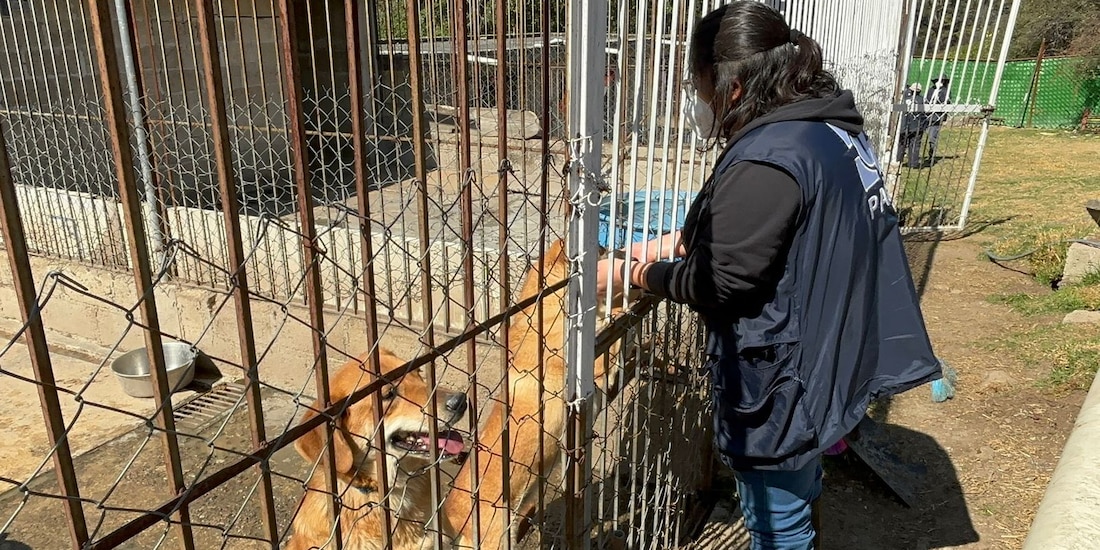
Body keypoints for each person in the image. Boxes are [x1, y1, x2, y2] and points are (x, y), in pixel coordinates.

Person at [595, 2, 942, 548]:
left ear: (732, 86)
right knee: (795, 492)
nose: (696, 96)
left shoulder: (767, 157)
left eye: (699, 81)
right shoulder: (826, 129)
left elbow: (722, 281)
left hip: (786, 378)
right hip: (829, 349)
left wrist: (636, 273)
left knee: (779, 526)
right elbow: (776, 231)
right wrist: (666, 243)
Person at [898, 82, 927, 168]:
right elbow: (923, 114)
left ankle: (898, 160)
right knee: (914, 144)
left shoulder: (903, 98)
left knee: (901, 143)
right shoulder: (921, 100)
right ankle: (913, 163)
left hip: (904, 124)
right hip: (916, 125)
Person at [924, 76, 951, 165]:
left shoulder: (945, 91)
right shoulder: (931, 90)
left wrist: (944, 117)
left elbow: (946, 104)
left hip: (936, 117)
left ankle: (931, 157)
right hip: (927, 116)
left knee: (932, 137)